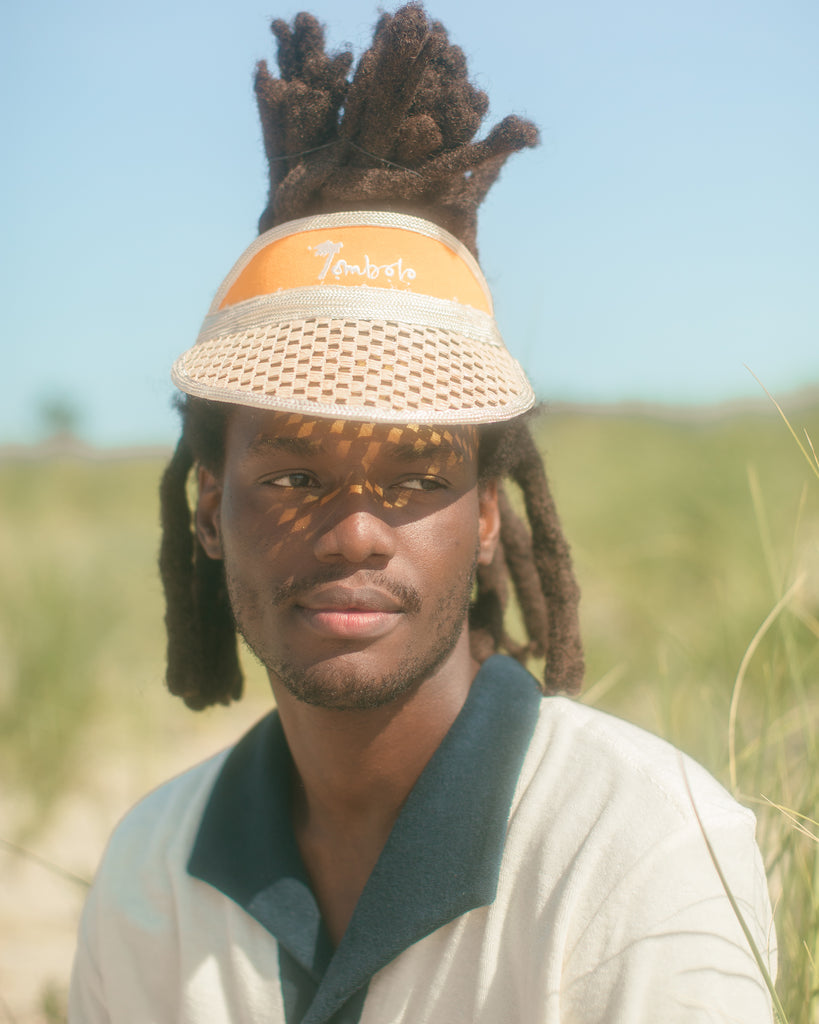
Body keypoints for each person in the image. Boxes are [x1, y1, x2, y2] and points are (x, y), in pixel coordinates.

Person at [69, 6, 777, 1022]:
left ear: (486, 516)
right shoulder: (150, 875)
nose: (355, 533)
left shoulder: (640, 846)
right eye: (294, 477)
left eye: (412, 478)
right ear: (209, 510)